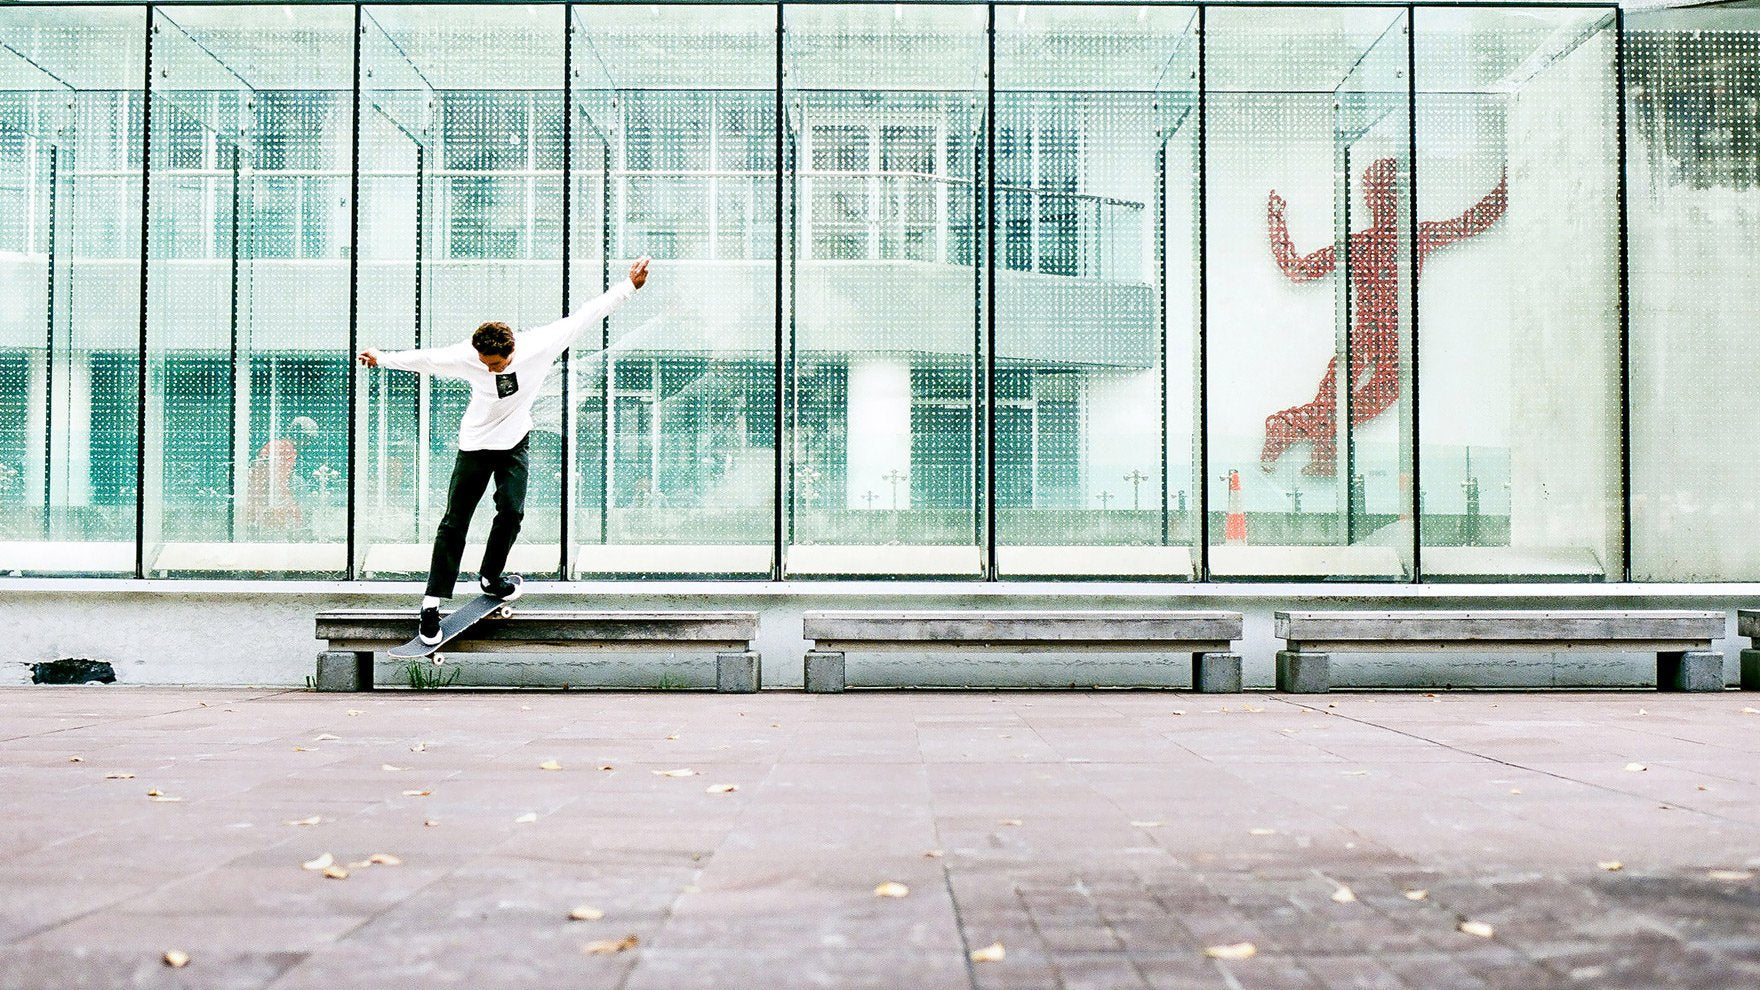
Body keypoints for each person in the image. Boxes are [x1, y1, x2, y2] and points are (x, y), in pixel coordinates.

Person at [359, 257, 651, 644]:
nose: (491, 369)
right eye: (485, 364)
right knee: (454, 522)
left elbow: (587, 315)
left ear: (512, 350)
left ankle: (491, 576)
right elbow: (425, 359)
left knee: (512, 511)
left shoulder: (539, 345)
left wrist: (629, 286)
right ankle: (431, 604)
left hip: (514, 441)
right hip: (475, 445)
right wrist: (381, 358)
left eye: (496, 364)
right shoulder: (467, 355)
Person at [1260, 159, 1507, 475]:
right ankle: (1293, 431)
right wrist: (1505, 187)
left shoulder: (1362, 245)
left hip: (1363, 338)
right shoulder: (1414, 238)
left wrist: (1276, 220)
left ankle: (1317, 452)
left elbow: (1297, 269)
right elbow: (1471, 222)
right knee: (1357, 402)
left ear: (1369, 199)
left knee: (1334, 400)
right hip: (1392, 340)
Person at [247, 415, 319, 534]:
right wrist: (294, 511)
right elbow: (279, 483)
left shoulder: (274, 445)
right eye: (308, 440)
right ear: (301, 436)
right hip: (266, 503)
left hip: (256, 500)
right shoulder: (286, 449)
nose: (307, 445)